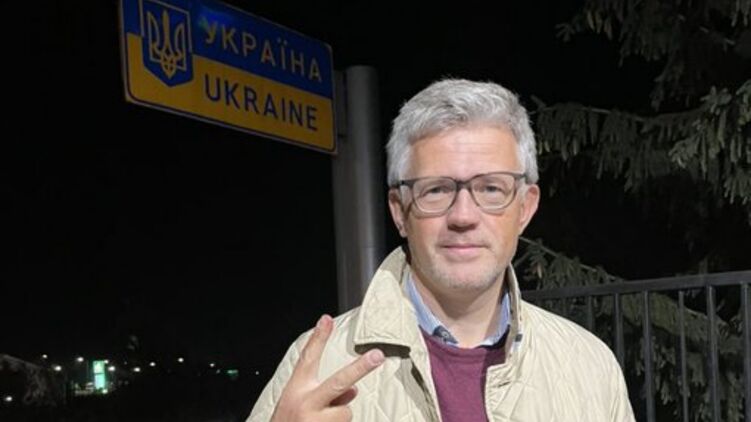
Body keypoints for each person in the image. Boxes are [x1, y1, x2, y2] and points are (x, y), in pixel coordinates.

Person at [247, 78, 635, 421]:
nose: (463, 216)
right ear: (399, 211)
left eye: (490, 188)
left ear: (525, 207)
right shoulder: (317, 367)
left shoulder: (589, 365)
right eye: (436, 190)